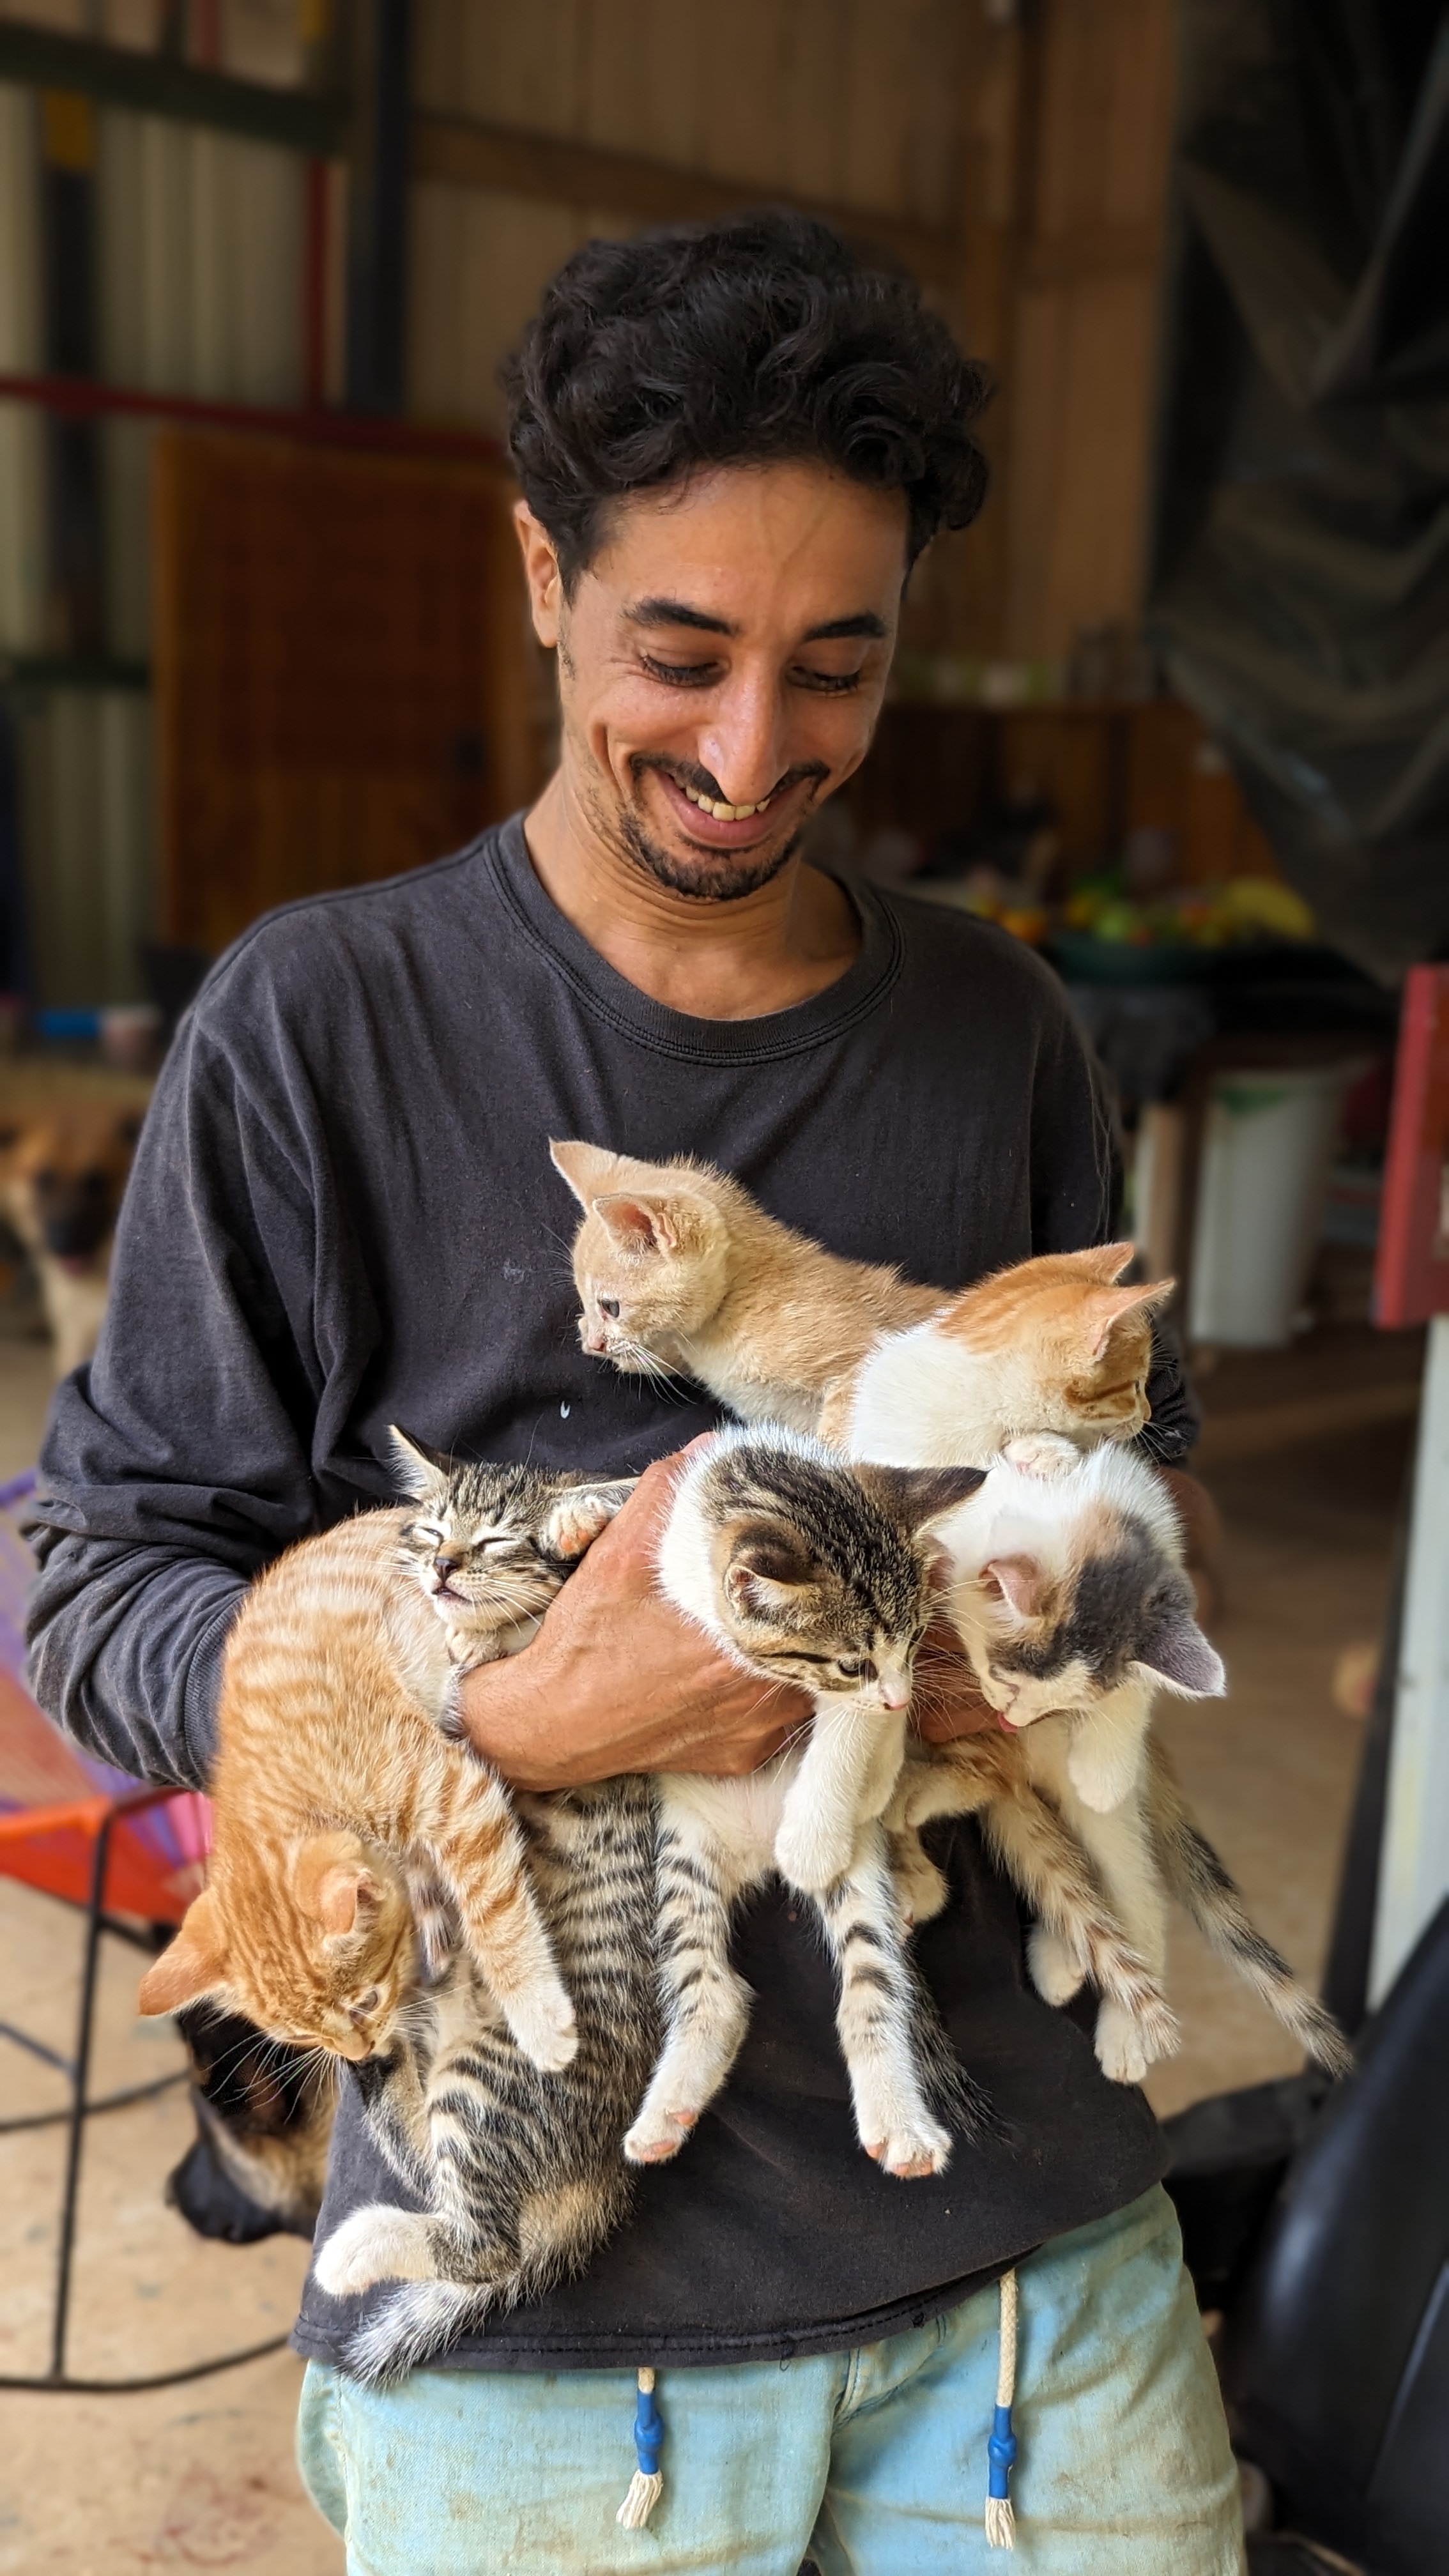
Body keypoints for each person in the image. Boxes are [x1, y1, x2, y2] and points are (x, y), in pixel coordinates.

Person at [28, 213, 1243, 2575]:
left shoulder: (995, 1030)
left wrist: (1001, 1622)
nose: (751, 749)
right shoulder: (319, 1025)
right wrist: (500, 1717)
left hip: (1024, 2266)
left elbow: (1139, 1472)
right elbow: (93, 1587)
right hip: (533, 2297)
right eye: (678, 652)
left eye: (836, 668)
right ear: (542, 578)